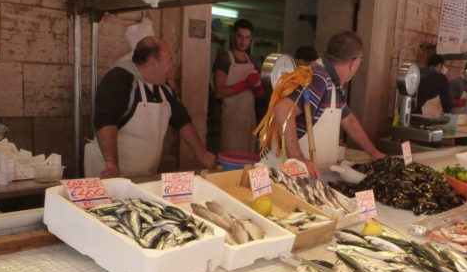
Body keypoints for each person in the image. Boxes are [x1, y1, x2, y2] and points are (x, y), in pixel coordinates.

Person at [86, 36, 215, 179]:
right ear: (153, 63)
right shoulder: (119, 79)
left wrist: (201, 153)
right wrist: (111, 164)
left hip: (142, 175)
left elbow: (182, 120)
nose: (172, 66)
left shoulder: (163, 88)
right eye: (169, 60)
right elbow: (105, 122)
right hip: (109, 173)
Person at [273, 31, 386, 178]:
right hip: (296, 175)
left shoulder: (334, 82)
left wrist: (373, 152)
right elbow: (282, 110)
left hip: (317, 174)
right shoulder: (319, 77)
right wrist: (298, 158)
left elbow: (349, 120)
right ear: (354, 62)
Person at [212, 19, 264, 153]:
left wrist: (258, 88)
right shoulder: (224, 58)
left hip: (248, 119)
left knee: (247, 159)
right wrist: (245, 84)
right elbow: (218, 92)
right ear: (233, 35)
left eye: (247, 38)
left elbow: (259, 94)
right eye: (240, 36)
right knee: (230, 157)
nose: (243, 42)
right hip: (231, 120)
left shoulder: (252, 60)